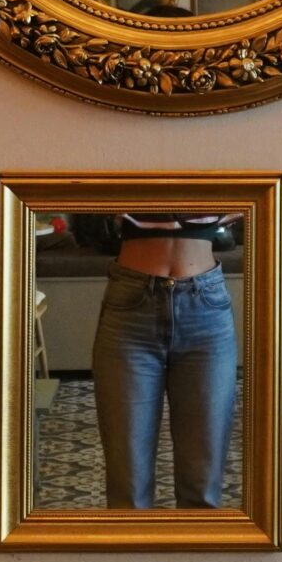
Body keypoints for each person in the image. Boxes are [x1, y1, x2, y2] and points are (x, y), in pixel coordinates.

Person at [73, 211, 239, 509]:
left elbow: (257, 189)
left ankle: (192, 557)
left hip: (205, 303)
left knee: (203, 487)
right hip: (131, 304)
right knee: (128, 489)